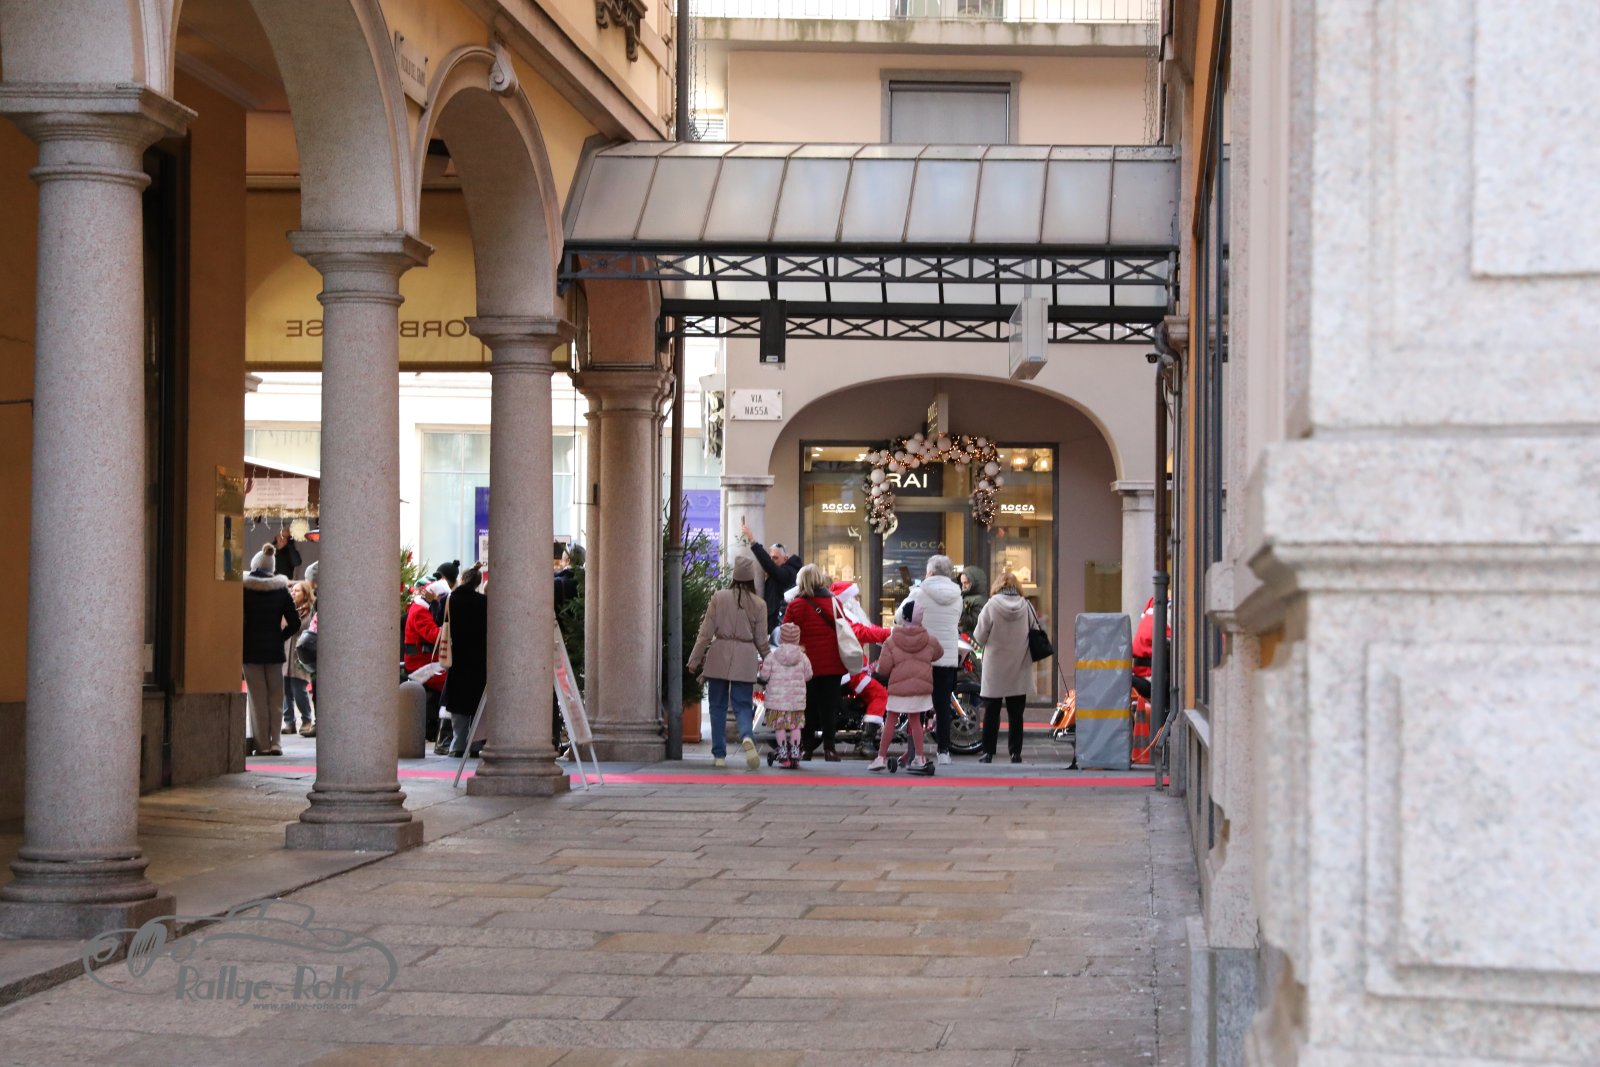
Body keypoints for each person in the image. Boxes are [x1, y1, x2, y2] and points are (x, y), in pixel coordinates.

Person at [687, 554, 771, 769]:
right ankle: (747, 736)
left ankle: (719, 755)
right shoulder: (759, 604)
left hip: (719, 654)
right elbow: (762, 640)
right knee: (743, 705)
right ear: (751, 578)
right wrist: (770, 660)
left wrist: (694, 659)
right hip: (745, 656)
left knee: (717, 706)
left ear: (734, 575)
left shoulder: (719, 597)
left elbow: (705, 633)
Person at [899, 554, 962, 765]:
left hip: (921, 656)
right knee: (942, 706)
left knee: (916, 703)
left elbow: (901, 616)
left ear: (930, 572)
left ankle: (915, 751)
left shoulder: (919, 592)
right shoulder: (957, 595)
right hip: (946, 657)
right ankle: (943, 752)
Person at [782, 564, 848, 760]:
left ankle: (807, 748)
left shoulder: (795, 605)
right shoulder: (835, 602)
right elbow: (844, 629)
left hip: (805, 665)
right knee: (829, 707)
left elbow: (786, 634)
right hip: (832, 664)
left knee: (807, 707)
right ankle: (830, 748)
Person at [868, 600, 941, 775]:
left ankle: (881, 757)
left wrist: (877, 668)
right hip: (920, 688)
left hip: (898, 688)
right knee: (915, 722)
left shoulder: (891, 641)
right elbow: (939, 653)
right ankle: (920, 757)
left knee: (890, 721)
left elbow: (884, 668)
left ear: (904, 617)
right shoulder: (929, 640)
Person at [242, 543, 299, 756]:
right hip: (275, 651)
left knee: (257, 699)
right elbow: (294, 623)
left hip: (250, 650)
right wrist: (279, 637)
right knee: (276, 696)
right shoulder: (281, 590)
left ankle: (262, 744)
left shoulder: (245, 589)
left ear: (254, 565)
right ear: (272, 567)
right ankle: (276, 743)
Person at [972, 571, 1033, 764]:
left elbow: (979, 636)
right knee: (1016, 714)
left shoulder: (991, 606)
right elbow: (1036, 631)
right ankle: (1015, 753)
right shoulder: (1026, 606)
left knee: (991, 712)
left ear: (997, 586)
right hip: (1019, 665)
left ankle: (988, 752)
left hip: (995, 667)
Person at [441, 564, 487, 758]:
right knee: (476, 701)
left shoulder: (450, 600)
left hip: (457, 656)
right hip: (479, 658)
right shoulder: (484, 602)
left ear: (462, 579)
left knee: (458, 701)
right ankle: (474, 744)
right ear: (478, 583)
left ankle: (457, 743)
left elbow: (440, 621)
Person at [403, 577, 450, 746]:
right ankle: (444, 736)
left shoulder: (421, 608)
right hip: (421, 664)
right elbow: (433, 635)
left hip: (425, 661)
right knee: (450, 683)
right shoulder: (420, 612)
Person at [759, 622, 812, 769]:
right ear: (797, 638)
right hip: (796, 702)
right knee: (796, 727)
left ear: (781, 638)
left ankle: (782, 752)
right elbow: (809, 675)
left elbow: (764, 675)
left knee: (780, 727)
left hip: (777, 702)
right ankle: (795, 751)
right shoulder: (803, 657)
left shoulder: (772, 656)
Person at [742, 520, 802, 635]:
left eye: (775, 558)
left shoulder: (789, 572)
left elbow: (770, 567)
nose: (772, 561)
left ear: (785, 558)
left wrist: (753, 542)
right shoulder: (783, 572)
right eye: (771, 558)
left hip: (777, 623)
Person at [282, 577, 317, 738]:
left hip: (299, 657)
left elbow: (306, 631)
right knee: (285, 691)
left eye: (297, 591)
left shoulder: (310, 612)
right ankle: (289, 722)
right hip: (286, 655)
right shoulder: (288, 609)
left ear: (305, 594)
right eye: (292, 590)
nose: (293, 593)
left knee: (298, 689)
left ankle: (306, 720)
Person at [958, 565, 989, 634]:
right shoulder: (967, 597)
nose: (963, 586)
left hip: (971, 637)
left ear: (974, 582)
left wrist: (959, 616)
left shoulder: (978, 600)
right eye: (962, 583)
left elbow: (976, 622)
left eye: (966, 583)